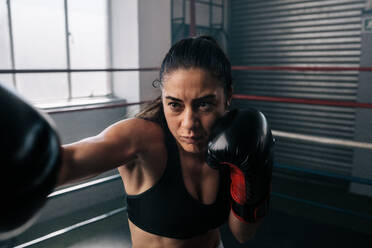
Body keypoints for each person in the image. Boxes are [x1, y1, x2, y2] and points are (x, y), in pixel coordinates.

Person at [2, 36, 274, 248]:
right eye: (175, 105)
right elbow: (68, 162)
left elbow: (242, 234)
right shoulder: (142, 140)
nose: (189, 124)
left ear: (228, 95)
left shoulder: (237, 141)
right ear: (163, 98)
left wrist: (252, 173)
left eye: (204, 104)